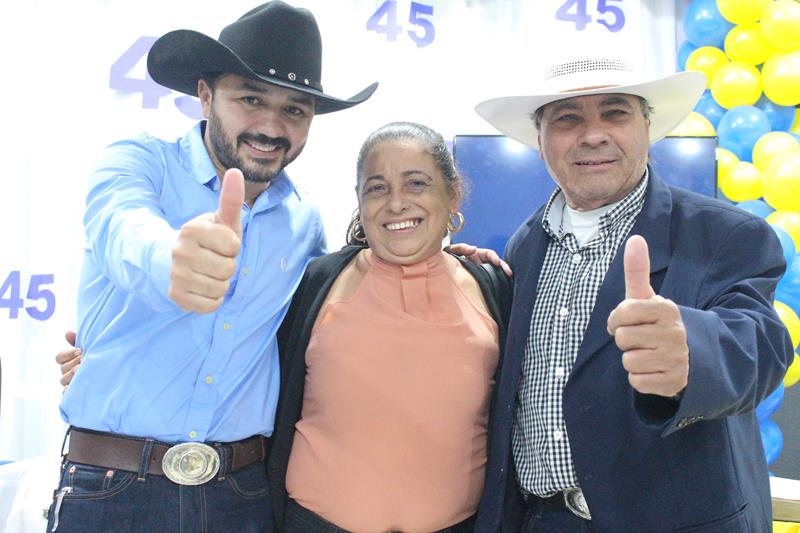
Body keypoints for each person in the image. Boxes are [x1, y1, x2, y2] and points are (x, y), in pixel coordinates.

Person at [47, 2, 377, 531]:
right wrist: (172, 258)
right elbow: (123, 227)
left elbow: (319, 333)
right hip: (113, 489)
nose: (271, 126)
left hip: (243, 491)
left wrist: (455, 265)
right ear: (205, 96)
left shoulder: (304, 221)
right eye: (250, 99)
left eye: (295, 110)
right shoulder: (139, 161)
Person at [472, 58, 794, 532]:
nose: (593, 134)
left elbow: (762, 346)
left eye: (615, 113)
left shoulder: (725, 234)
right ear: (540, 142)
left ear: (647, 128)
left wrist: (692, 350)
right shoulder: (524, 245)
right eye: (568, 118)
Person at [267, 121, 511, 532]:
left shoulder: (495, 289)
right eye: (377, 187)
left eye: (416, 183)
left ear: (452, 195)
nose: (396, 203)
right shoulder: (314, 284)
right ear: (360, 201)